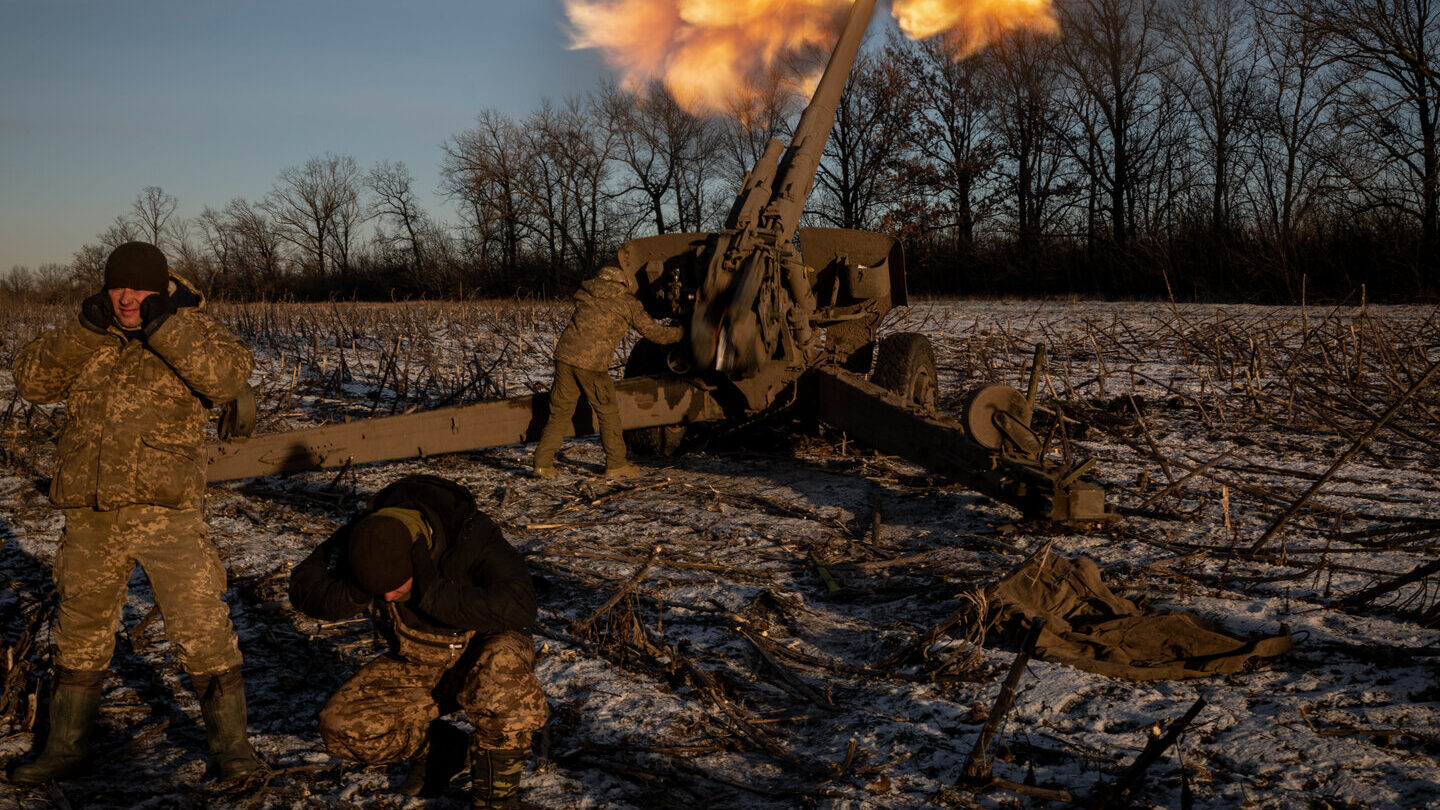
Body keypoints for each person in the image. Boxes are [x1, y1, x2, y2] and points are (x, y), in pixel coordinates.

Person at [8, 241, 261, 785]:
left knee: (201, 628)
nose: (126, 298)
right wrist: (82, 330)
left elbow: (225, 378)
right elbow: (30, 383)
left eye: (139, 288)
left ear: (160, 287)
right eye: (118, 286)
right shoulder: (90, 333)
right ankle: (65, 749)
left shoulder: (193, 328)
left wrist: (165, 326)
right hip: (90, 513)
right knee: (80, 629)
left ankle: (233, 752)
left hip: (165, 513)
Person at [288, 474, 548, 808]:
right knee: (343, 726)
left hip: (481, 654)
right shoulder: (368, 532)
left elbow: (521, 607)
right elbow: (303, 588)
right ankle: (445, 750)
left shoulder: (470, 534)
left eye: (397, 585)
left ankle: (495, 799)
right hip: (419, 662)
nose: (388, 596)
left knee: (501, 672)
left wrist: (434, 593)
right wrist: (356, 587)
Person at [533, 264, 683, 479]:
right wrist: (680, 333)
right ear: (622, 282)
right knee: (608, 412)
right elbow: (655, 334)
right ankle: (616, 463)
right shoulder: (626, 302)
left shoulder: (586, 295)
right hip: (591, 364)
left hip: (564, 358)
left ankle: (542, 463)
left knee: (560, 412)